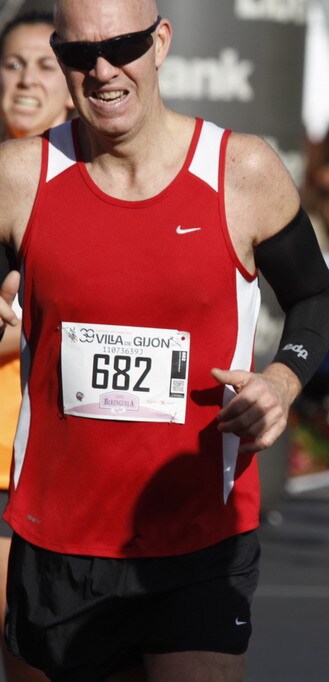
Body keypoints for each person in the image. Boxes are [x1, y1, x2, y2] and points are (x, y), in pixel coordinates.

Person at [0, 1, 329, 679]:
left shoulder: (240, 170)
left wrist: (281, 381)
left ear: (160, 43)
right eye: (78, 54)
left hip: (199, 534)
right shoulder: (17, 177)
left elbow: (315, 296)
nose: (102, 71)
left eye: (122, 45)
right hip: (57, 534)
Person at [0, 11, 71, 681]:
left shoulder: (92, 182)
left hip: (53, 457)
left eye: (45, 64)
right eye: (14, 64)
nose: (26, 80)